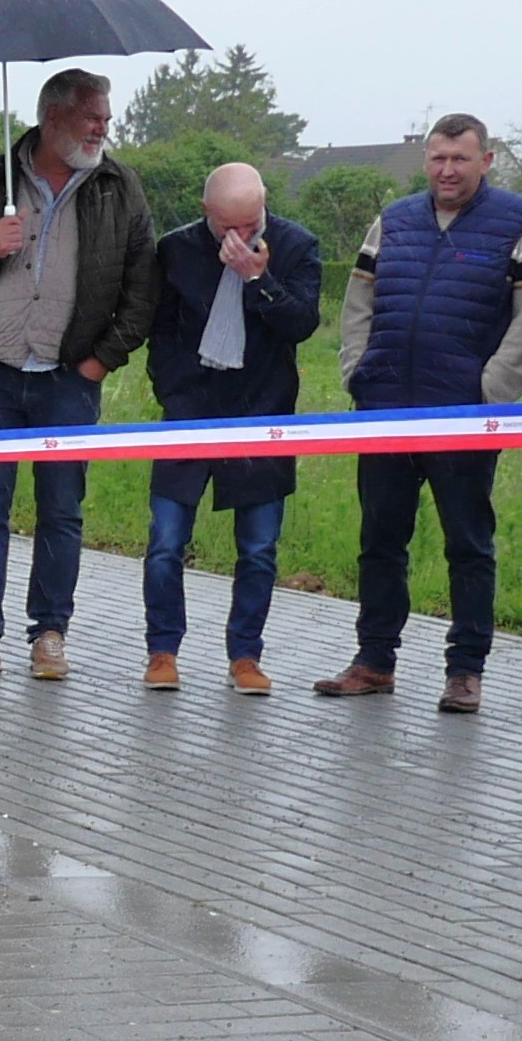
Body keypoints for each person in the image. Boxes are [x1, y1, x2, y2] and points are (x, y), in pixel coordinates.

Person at [317, 114, 522, 712]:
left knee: (468, 545)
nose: (448, 170)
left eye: (460, 159)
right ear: (426, 160)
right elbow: (358, 302)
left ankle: (465, 671)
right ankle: (374, 661)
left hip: (462, 416)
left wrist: (489, 393)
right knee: (379, 542)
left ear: (486, 161)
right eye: (438, 158)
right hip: (386, 410)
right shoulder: (393, 220)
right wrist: (357, 370)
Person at [0, 67, 154, 682]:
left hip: (69, 378)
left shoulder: (119, 187)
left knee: (61, 511)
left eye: (106, 117)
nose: (102, 128)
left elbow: (143, 285)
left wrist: (100, 360)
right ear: (52, 117)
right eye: (92, 117)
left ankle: (50, 635)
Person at [139, 161, 319, 694]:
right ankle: (162, 650)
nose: (240, 236)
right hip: (189, 413)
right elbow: (160, 331)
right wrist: (174, 390)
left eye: (251, 223)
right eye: (227, 227)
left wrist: (258, 279)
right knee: (166, 541)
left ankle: (245, 656)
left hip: (262, 412)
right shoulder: (176, 250)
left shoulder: (295, 245)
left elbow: (302, 324)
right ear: (205, 212)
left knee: (258, 548)